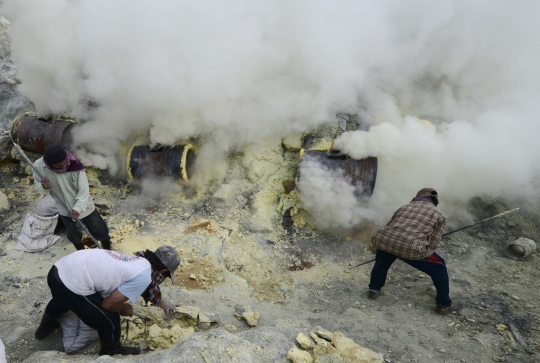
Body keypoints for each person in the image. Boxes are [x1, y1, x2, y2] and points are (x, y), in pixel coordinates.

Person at [34, 246, 180, 356]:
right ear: (163, 271)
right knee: (110, 320)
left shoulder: (141, 261)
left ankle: (42, 330)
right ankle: (111, 350)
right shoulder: (144, 276)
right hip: (70, 285)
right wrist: (124, 306)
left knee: (61, 300)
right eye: (166, 276)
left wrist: (164, 305)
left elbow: (148, 288)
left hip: (58, 272)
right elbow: (108, 304)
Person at [368, 188, 454, 315]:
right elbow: (434, 242)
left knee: (382, 263)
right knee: (439, 266)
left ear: (418, 197)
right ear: (434, 200)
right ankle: (444, 304)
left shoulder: (404, 207)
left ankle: (373, 290)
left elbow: (390, 225)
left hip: (385, 241)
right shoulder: (439, 215)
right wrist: (424, 250)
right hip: (411, 248)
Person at [32, 144, 111, 250]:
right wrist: (43, 186)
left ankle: (107, 250)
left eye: (64, 162)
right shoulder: (39, 166)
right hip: (63, 207)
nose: (64, 165)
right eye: (59, 166)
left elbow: (84, 191)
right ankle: (81, 253)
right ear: (49, 164)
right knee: (73, 234)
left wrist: (77, 208)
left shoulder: (74, 165)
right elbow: (37, 183)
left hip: (84, 206)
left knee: (99, 229)